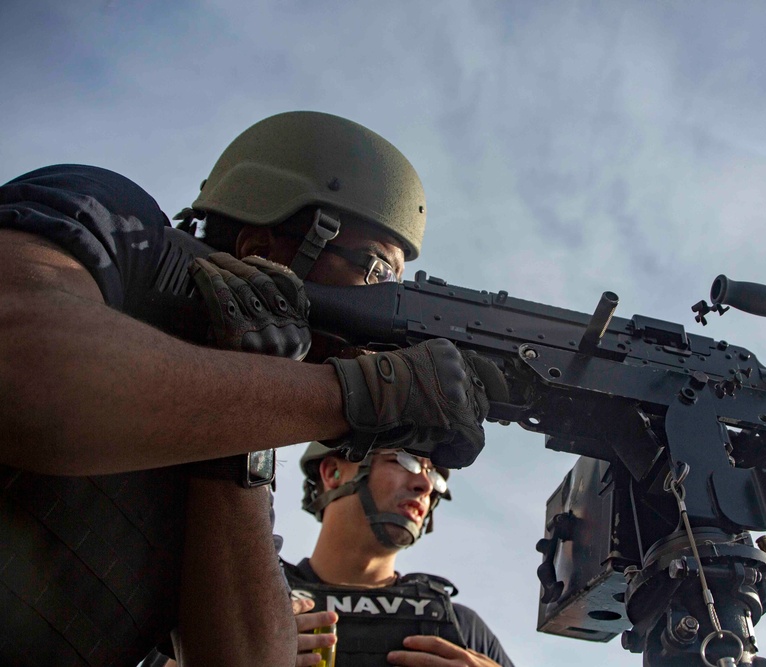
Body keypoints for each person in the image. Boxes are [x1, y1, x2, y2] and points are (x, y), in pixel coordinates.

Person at [0, 111, 496, 666]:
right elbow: (20, 362)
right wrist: (359, 395)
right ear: (264, 246)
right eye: (377, 271)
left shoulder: (234, 418)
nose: (387, 312)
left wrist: (242, 431)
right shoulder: (117, 223)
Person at [289, 441, 514, 667]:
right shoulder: (265, 607)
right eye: (404, 460)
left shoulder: (460, 629)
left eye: (434, 475)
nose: (425, 485)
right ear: (333, 473)